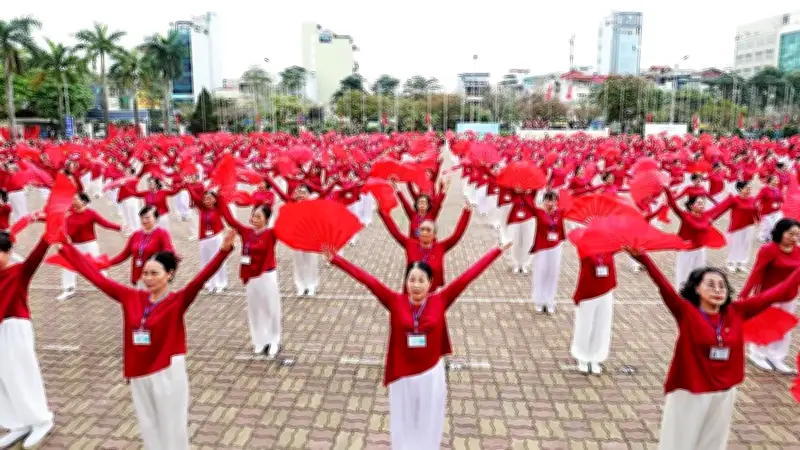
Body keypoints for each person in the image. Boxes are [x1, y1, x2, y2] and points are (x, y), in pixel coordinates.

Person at [57, 230, 235, 450]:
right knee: (148, 423)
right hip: (140, 371)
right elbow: (96, 278)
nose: (148, 279)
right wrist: (66, 249)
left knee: (171, 425)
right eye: (145, 273)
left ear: (169, 274)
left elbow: (201, 279)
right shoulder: (131, 297)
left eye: (154, 273)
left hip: (167, 370)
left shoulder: (177, 301)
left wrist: (223, 252)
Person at [323, 243, 509, 450]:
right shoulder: (395, 301)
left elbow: (467, 277)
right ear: (405, 282)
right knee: (404, 420)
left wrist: (496, 251)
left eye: (421, 280)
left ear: (430, 283)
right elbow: (368, 280)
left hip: (431, 374)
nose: (416, 285)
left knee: (429, 420)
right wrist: (337, 260)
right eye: (411, 280)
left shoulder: (440, 300)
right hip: (402, 375)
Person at [628, 248, 800, 450]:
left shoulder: (737, 311)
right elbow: (663, 286)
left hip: (723, 391)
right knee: (680, 440)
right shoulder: (686, 312)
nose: (718, 290)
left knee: (713, 441)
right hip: (691, 390)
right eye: (710, 285)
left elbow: (777, 292)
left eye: (722, 286)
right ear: (696, 289)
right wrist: (645, 260)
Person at [0, 233, 54, 449]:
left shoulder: (19, 271)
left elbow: (36, 257)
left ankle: (41, 419)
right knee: (4, 377)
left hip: (16, 327)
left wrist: (49, 235)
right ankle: (17, 422)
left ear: (8, 253)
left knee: (22, 372)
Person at [218, 202, 281, 357]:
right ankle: (259, 341)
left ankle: (274, 341)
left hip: (267, 275)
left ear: (267, 219)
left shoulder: (272, 234)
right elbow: (230, 220)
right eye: (253, 215)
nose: (254, 218)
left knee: (270, 308)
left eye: (258, 216)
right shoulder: (246, 232)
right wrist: (220, 198)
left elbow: (290, 228)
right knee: (255, 310)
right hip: (251, 276)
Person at [741, 218, 800, 374]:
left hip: (789, 296)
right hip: (769, 295)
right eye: (790, 234)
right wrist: (745, 294)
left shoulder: (798, 251)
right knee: (766, 325)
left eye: (797, 235)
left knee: (784, 327)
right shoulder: (769, 249)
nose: (794, 238)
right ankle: (757, 353)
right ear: (780, 232)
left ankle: (777, 356)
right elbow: (757, 272)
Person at [378, 201, 471, 292]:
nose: (424, 232)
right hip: (411, 293)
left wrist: (466, 212)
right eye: (422, 229)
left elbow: (457, 235)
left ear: (434, 235)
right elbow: (395, 232)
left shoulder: (441, 247)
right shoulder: (410, 244)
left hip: (432, 294)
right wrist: (382, 212)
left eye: (428, 230)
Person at [56, 192, 123, 301]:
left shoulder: (91, 213)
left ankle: (108, 285)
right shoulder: (68, 212)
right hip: (73, 244)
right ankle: (68, 288)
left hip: (89, 244)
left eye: (76, 199)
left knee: (96, 265)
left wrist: (120, 228)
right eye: (72, 199)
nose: (73, 201)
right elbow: (62, 225)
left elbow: (105, 223)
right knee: (68, 265)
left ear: (84, 201)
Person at [665, 188, 731, 287]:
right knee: (684, 274)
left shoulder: (706, 215)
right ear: (691, 206)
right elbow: (674, 206)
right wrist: (667, 190)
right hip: (686, 251)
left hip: (700, 251)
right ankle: (682, 293)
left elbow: (720, 208)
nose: (702, 205)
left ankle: (696, 293)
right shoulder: (685, 216)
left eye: (702, 203)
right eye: (699, 203)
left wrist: (730, 199)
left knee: (699, 274)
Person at [570, 251, 617, 374]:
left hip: (606, 289)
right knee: (585, 324)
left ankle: (596, 356)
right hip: (589, 290)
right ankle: (582, 356)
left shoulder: (610, 246)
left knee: (602, 325)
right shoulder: (586, 245)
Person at [106, 206, 176, 287]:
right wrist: (107, 263)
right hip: (139, 276)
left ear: (156, 218)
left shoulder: (162, 234)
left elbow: (169, 253)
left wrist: (173, 258)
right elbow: (124, 255)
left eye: (147, 218)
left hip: (155, 278)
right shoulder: (136, 235)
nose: (144, 220)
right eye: (142, 218)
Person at [526, 191, 566, 314]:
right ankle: (539, 299)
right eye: (548, 200)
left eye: (553, 200)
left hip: (555, 247)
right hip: (542, 247)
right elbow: (529, 204)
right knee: (541, 272)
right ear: (543, 201)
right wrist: (531, 191)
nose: (550, 203)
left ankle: (550, 300)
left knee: (552, 274)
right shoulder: (539, 212)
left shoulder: (560, 213)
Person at [186, 189, 228, 293]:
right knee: (206, 262)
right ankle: (210, 283)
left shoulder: (218, 208)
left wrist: (220, 190)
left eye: (210, 198)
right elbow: (195, 197)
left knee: (218, 260)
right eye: (205, 199)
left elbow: (222, 199)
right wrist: (188, 186)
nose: (207, 200)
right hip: (204, 239)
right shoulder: (202, 208)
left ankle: (221, 283)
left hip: (216, 237)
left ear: (215, 199)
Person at [721, 181, 759, 273]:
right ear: (740, 189)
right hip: (737, 226)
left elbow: (755, 211)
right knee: (735, 245)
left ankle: (741, 263)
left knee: (746, 244)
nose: (749, 190)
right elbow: (721, 208)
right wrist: (710, 218)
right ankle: (731, 262)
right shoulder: (734, 199)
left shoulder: (752, 199)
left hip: (749, 225)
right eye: (747, 188)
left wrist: (758, 220)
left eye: (750, 188)